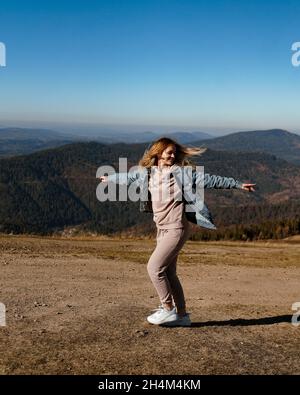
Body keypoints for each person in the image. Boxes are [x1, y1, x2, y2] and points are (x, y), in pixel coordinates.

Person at [98, 137, 255, 327]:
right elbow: (128, 177)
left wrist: (238, 184)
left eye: (174, 152)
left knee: (154, 268)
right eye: (169, 152)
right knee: (170, 273)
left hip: (176, 229)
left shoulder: (181, 174)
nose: (172, 156)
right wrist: (109, 178)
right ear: (158, 153)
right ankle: (182, 316)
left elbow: (211, 180)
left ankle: (167, 309)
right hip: (162, 229)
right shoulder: (148, 173)